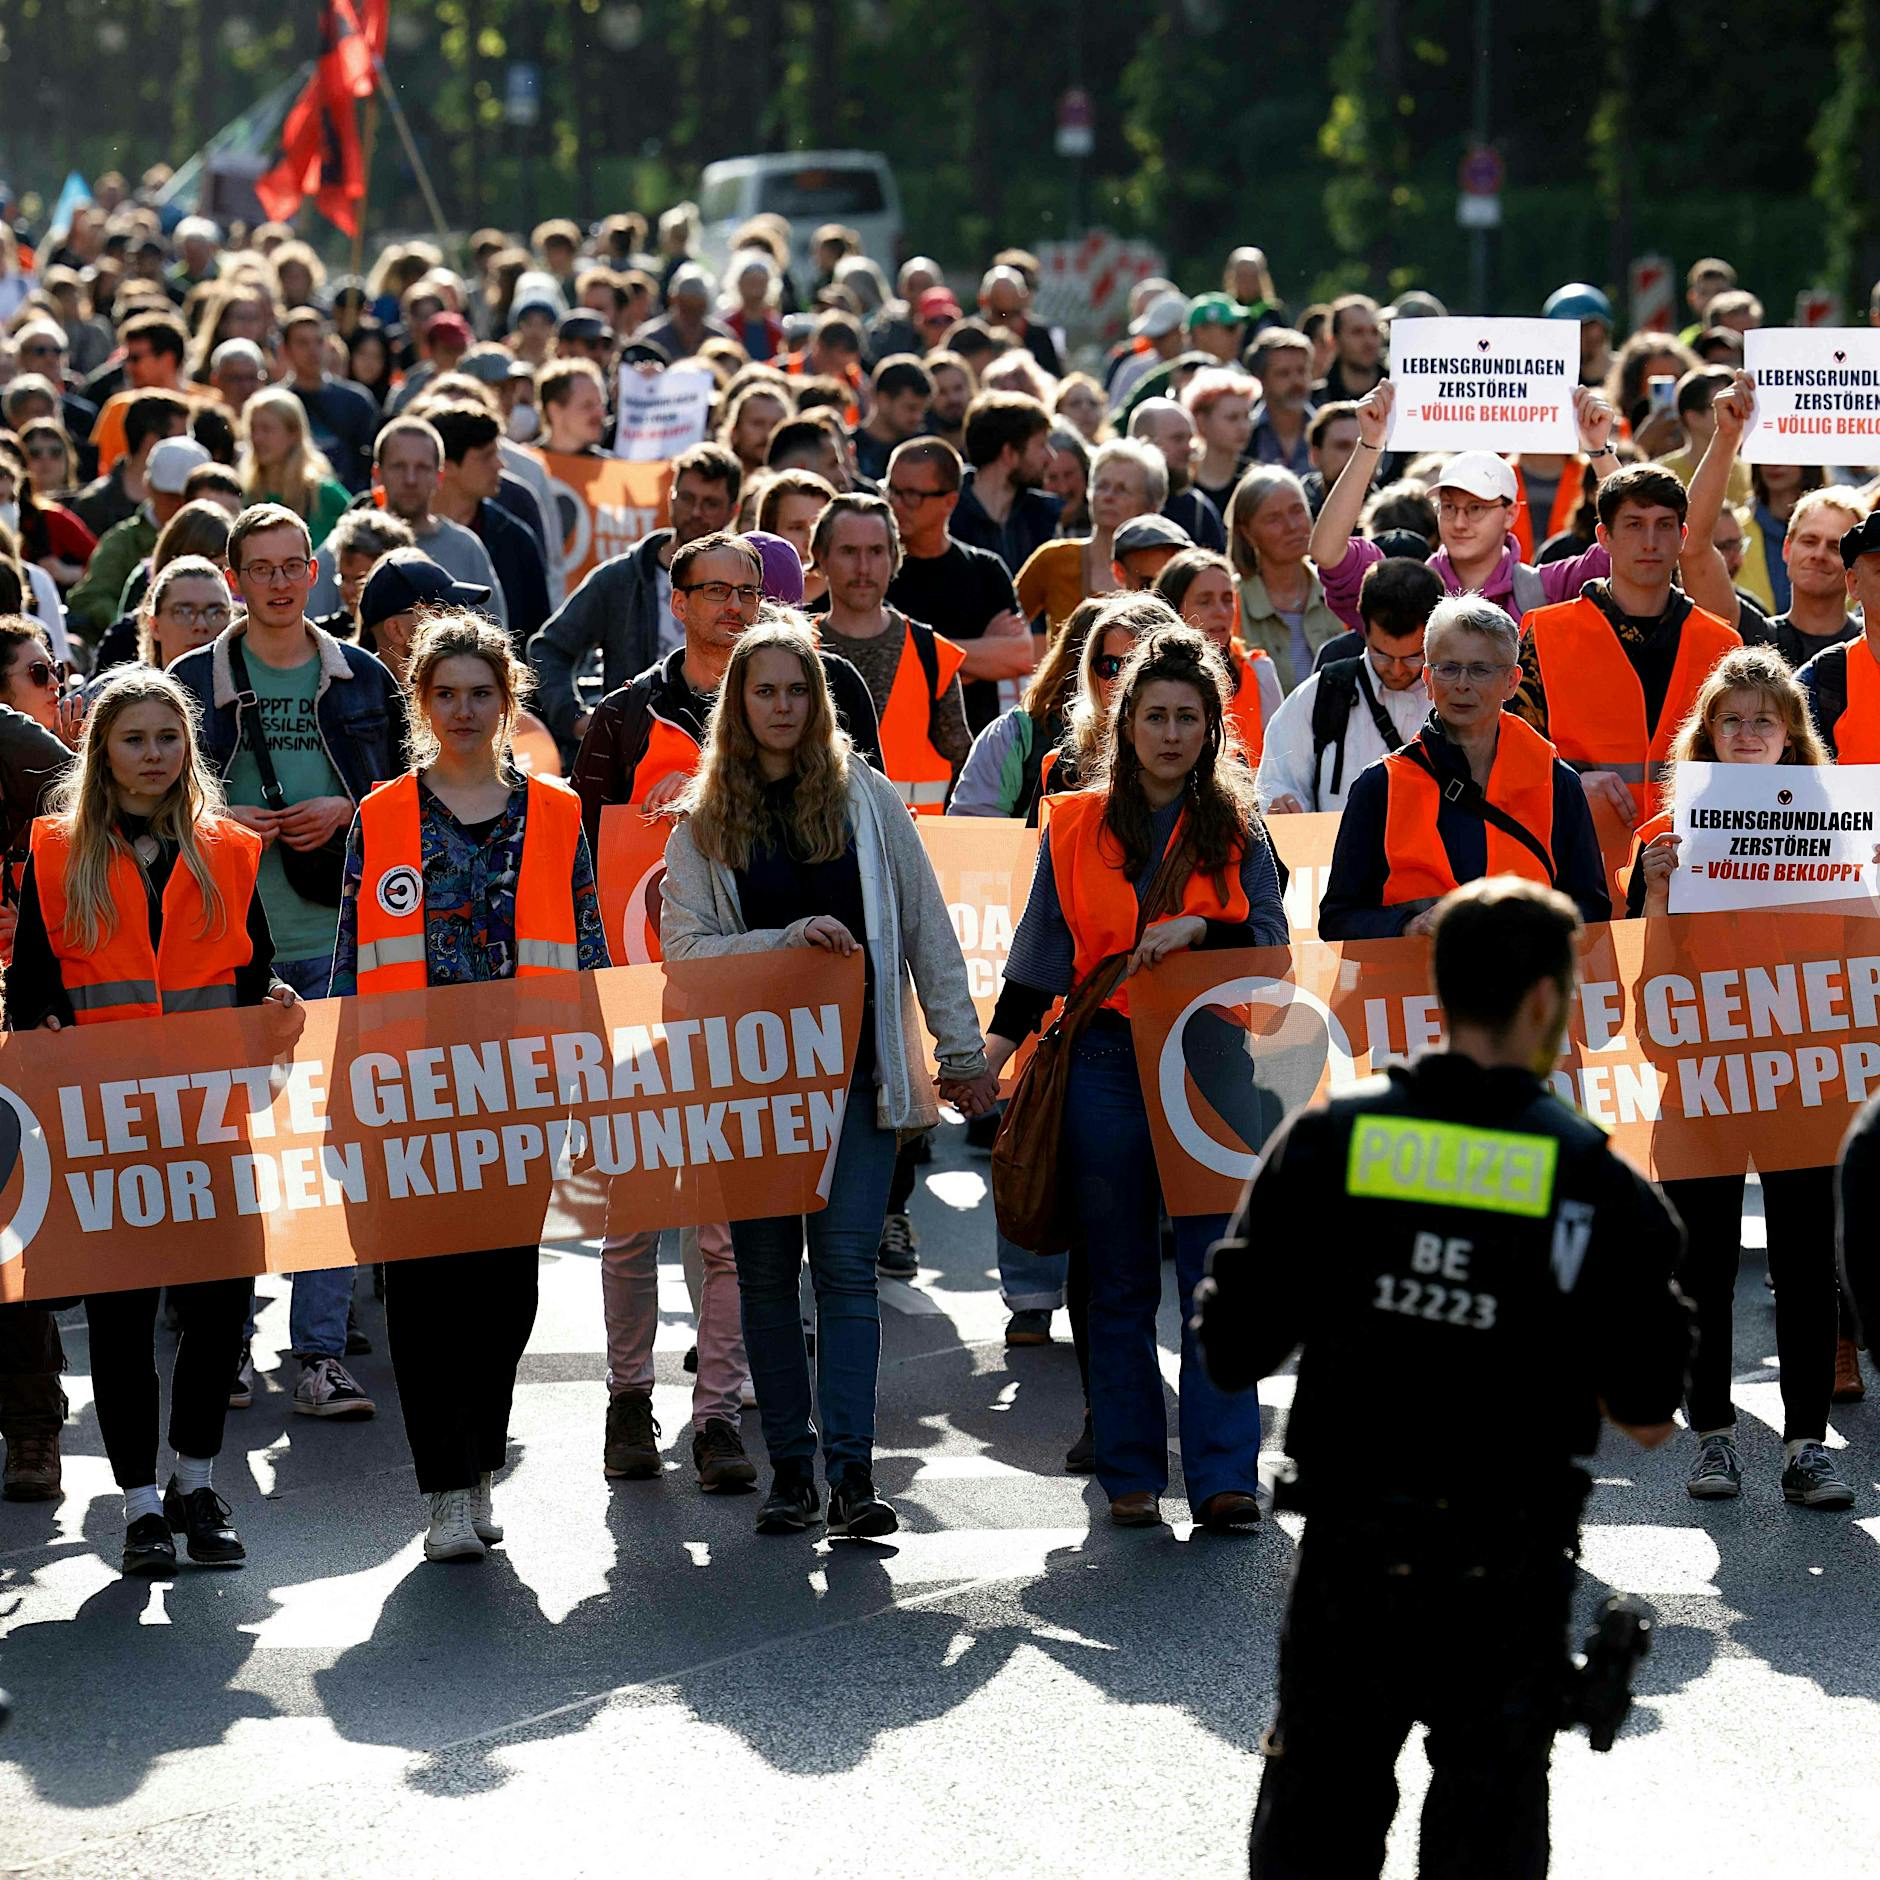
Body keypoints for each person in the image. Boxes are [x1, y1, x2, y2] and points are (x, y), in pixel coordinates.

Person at [1195, 875, 1692, 1878]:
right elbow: (1646, 1409)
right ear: (1546, 1004)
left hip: (1349, 1557)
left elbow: (1227, 1344)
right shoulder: (1598, 1186)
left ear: (1437, 987)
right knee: (1485, 1843)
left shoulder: (1332, 1142)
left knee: (1313, 1836)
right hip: (1503, 1570)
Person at [661, 616, 994, 1537]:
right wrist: (786, 938)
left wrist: (961, 1058)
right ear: (737, 705)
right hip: (754, 1089)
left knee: (845, 1269)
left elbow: (927, 929)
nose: (781, 706)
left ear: (819, 702)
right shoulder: (700, 822)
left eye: (797, 691)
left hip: (858, 1079)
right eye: (763, 691)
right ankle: (792, 1475)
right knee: (766, 1278)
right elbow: (684, 953)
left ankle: (853, 1477)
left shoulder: (870, 800)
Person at [986, 621, 1287, 1530]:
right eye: (1152, 715)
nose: (1168, 732)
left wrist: (1204, 930)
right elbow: (1038, 959)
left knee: (1214, 1277)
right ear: (1123, 725)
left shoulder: (1238, 824)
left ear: (1210, 729)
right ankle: (1128, 1473)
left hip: (1211, 1065)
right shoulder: (1075, 821)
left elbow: (1272, 950)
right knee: (1114, 1276)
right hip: (1107, 1060)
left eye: (1186, 717)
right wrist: (981, 1064)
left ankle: (1225, 1475)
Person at [329, 613, 609, 1561]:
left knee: (504, 1293)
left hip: (520, 1088)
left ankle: (479, 1459)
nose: (461, 709)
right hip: (408, 1089)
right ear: (421, 702)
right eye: (443, 693)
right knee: (420, 1293)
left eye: (479, 692)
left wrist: (595, 1079)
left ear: (507, 700)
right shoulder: (384, 814)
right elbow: (349, 963)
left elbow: (588, 951)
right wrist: (342, 1089)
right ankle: (445, 1490)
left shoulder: (561, 812)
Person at [5, 668, 297, 1573]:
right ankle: (138, 1503)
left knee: (217, 1316)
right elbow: (34, 996)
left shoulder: (231, 851)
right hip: (108, 1131)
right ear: (102, 752)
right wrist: (44, 1035)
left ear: (188, 750)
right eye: (133, 740)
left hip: (211, 1122)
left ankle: (197, 1484)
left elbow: (255, 974)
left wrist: (276, 998)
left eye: (167, 739)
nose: (153, 756)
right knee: (124, 1322)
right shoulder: (52, 852)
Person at [170, 502, 408, 1417]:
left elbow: (407, 796)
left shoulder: (365, 679)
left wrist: (350, 814)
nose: (277, 581)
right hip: (226, 949)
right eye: (259, 567)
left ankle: (317, 1354)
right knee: (226, 1154)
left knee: (329, 1152)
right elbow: (154, 802)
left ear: (314, 572)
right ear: (235, 578)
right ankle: (223, 1340)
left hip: (340, 940)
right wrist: (221, 824)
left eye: (291, 565)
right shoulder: (192, 680)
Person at [1624, 644, 1853, 1509]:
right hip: (1703, 1083)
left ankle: (1806, 1446)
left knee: (1803, 1266)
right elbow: (1647, 998)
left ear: (1792, 738)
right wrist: (1653, 898)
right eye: (1733, 720)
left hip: (1805, 1081)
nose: (1750, 733)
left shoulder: (1841, 830)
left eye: (1766, 720)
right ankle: (1714, 1436)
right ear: (1708, 735)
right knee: (1702, 1267)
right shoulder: (1664, 840)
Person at [1320, 597, 1612, 939]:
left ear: (1512, 681)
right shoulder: (1380, 785)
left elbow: (1592, 912)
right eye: (1448, 668)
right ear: (1427, 679)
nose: (1462, 683)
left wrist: (1530, 929)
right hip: (1411, 989)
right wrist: (1409, 927)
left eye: (1480, 669)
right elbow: (1337, 919)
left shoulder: (1557, 782)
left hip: (1524, 987)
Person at [1513, 463, 1741, 831]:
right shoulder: (1545, 633)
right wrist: (1565, 782)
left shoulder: (1723, 645)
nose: (1650, 541)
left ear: (1683, 536)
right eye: (1634, 525)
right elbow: (1508, 750)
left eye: (1664, 525)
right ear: (1603, 536)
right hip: (1579, 861)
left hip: (1693, 866)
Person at [1310, 379, 1620, 636]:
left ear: (1510, 514)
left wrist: (1598, 449)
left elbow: (1627, 550)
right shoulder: (1404, 592)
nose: (1459, 522)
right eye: (1448, 507)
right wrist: (1370, 444)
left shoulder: (1548, 590)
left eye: (1475, 509)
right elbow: (1327, 552)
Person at [529, 441, 741, 751]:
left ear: (732, 510)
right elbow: (548, 650)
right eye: (687, 498)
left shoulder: (745, 585)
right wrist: (577, 720)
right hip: (632, 757)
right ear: (671, 497)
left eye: (710, 503)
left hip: (721, 752)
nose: (696, 512)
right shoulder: (621, 579)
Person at [812, 493, 970, 817]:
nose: (863, 567)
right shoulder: (795, 651)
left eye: (876, 551)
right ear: (821, 557)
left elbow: (965, 774)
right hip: (817, 852)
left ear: (894, 557)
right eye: (848, 552)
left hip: (916, 852)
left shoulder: (932, 655)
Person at [1257, 557, 1440, 813]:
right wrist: (1282, 808)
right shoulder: (1319, 696)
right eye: (1382, 655)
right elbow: (1276, 784)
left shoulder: (1455, 699)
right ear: (1362, 629)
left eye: (1413, 657)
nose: (1397, 670)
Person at [882, 437, 1029, 734]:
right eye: (891, 490)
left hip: (973, 750)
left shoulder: (985, 569)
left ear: (949, 501)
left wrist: (930, 659)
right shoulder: (877, 571)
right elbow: (891, 667)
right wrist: (972, 661)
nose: (896, 504)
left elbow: (1020, 655)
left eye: (911, 495)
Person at [422, 401, 552, 654]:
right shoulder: (400, 534)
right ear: (447, 465)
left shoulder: (515, 540)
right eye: (486, 456)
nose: (500, 465)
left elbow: (536, 638)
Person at [371, 417, 509, 638]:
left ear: (439, 476)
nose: (410, 479)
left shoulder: (467, 548)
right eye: (399, 466)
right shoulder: (350, 546)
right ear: (377, 474)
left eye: (422, 467)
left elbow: (497, 640)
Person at [1017, 437, 1165, 635]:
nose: (1108, 496)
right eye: (1102, 486)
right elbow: (1004, 626)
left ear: (1151, 507)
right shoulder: (1053, 559)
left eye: (1122, 490)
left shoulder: (1161, 571)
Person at [66, 434, 208, 637]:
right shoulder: (122, 542)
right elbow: (89, 597)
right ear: (149, 487)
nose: (179, 505)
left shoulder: (223, 538)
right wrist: (131, 625)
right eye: (170, 496)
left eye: (187, 498)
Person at [1153, 548, 1283, 762]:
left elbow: (1281, 763)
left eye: (1227, 599)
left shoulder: (1259, 672)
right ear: (1173, 610)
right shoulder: (1150, 680)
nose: (1221, 611)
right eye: (1205, 601)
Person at [1227, 467, 1342, 691]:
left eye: (1297, 510)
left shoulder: (1339, 590)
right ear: (1247, 533)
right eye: (1273, 519)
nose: (1291, 526)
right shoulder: (1230, 602)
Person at [951, 392, 1062, 576]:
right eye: (1041, 445)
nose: (1051, 457)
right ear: (1009, 453)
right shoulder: (949, 513)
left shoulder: (1043, 516)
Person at [236, 387, 351, 549]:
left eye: (266, 429)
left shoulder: (324, 494)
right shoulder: (245, 493)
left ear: (294, 433)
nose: (257, 438)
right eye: (253, 429)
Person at [280, 305, 379, 492]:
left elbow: (367, 467)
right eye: (302, 343)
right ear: (285, 350)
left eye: (318, 341)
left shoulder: (356, 402)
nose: (313, 350)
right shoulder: (276, 403)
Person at [1128, 399, 1227, 552]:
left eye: (1190, 439)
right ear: (1145, 442)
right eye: (1178, 439)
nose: (1188, 448)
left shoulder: (1198, 513)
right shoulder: (1115, 502)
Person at [1182, 368, 1255, 515]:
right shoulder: (1182, 481)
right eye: (1232, 418)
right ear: (1201, 422)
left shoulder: (1254, 478)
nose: (1243, 427)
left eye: (1246, 416)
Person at [851, 355, 932, 484]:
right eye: (911, 408)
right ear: (884, 400)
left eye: (923, 410)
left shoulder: (924, 451)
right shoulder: (849, 450)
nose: (918, 417)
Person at [1248, 328, 1318, 475]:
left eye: (1302, 371)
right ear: (1261, 379)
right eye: (1283, 373)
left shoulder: (1328, 431)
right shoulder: (1245, 435)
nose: (1296, 381)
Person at [537, 358, 612, 458]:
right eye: (587, 405)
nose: (601, 414)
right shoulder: (522, 466)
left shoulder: (615, 470)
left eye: (601, 404)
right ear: (554, 410)